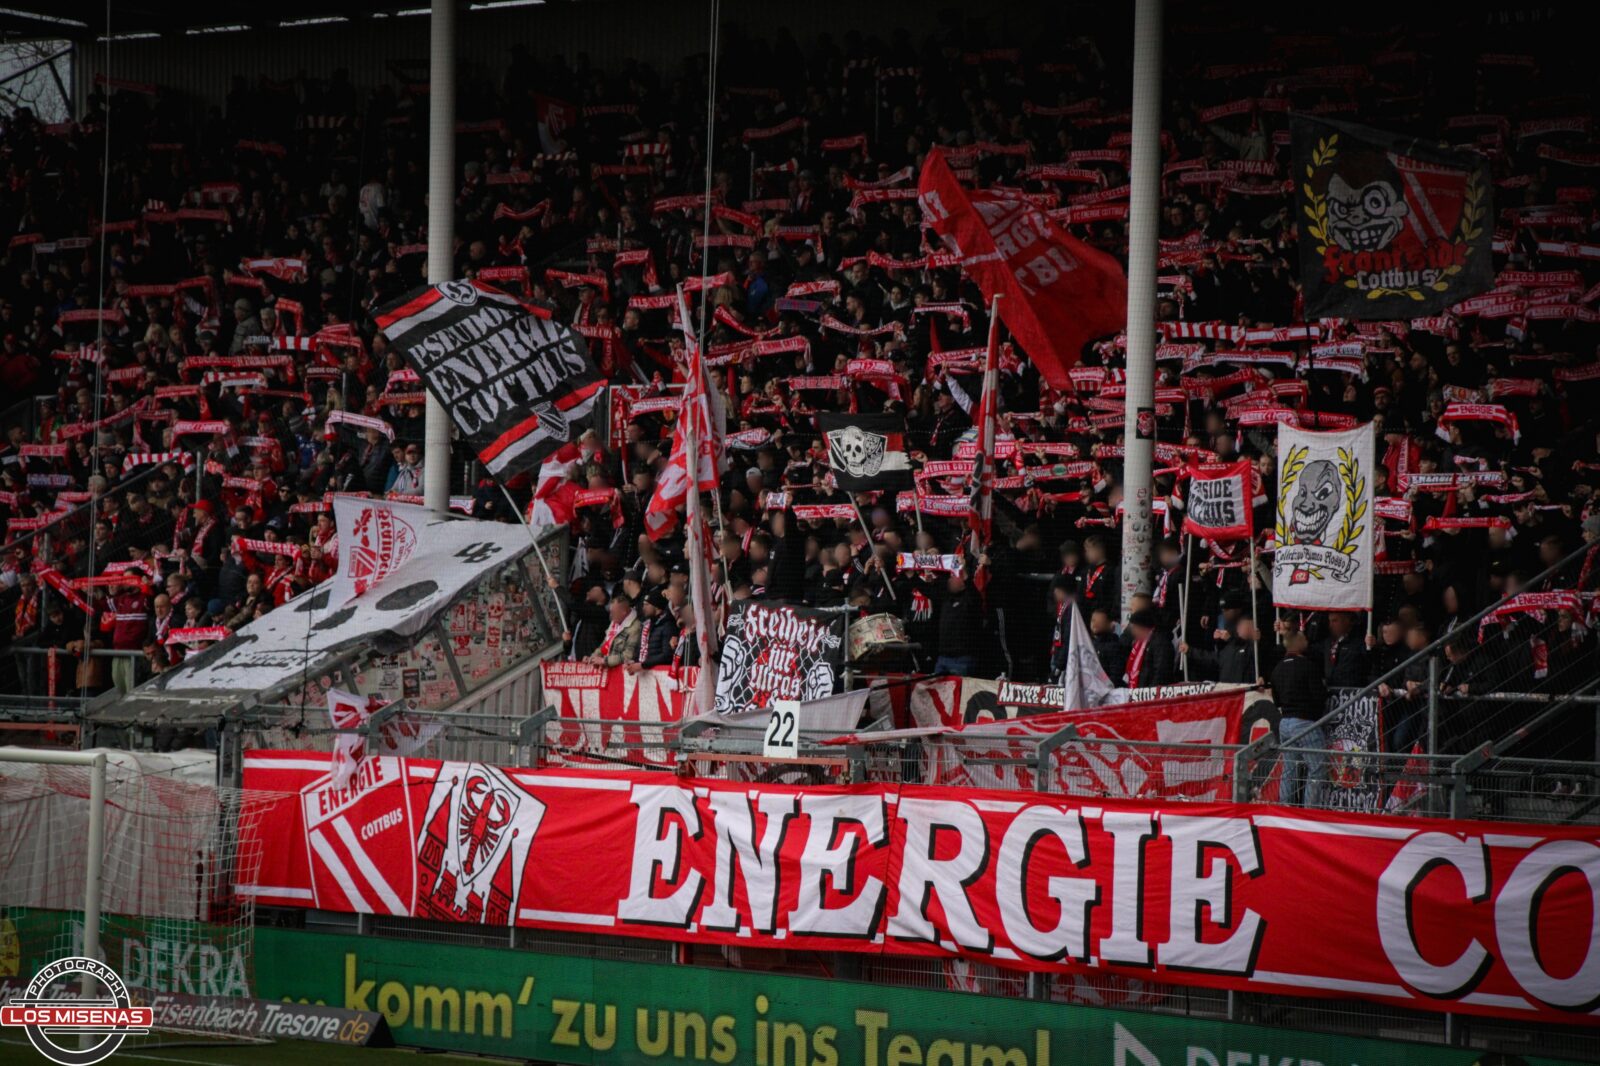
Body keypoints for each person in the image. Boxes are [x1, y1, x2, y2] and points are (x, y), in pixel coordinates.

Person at [1271, 632, 1328, 807]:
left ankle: (1284, 808)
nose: (1307, 640)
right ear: (1297, 643)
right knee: (1317, 769)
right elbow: (1319, 696)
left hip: (1285, 722)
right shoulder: (1307, 666)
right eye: (1304, 638)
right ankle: (1310, 811)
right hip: (1304, 722)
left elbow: (1276, 700)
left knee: (1289, 770)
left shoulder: (1277, 668)